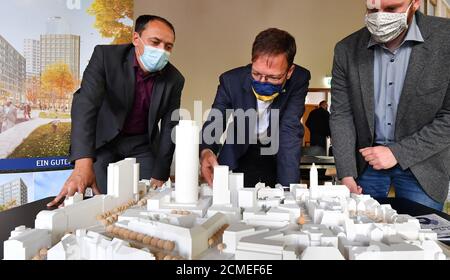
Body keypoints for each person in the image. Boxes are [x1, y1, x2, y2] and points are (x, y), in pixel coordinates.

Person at [48, 15, 185, 207]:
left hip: (142, 144)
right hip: (105, 141)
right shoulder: (106, 57)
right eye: (155, 42)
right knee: (106, 203)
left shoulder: (175, 79)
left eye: (168, 46)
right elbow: (85, 103)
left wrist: (160, 172)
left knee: (148, 200)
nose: (162, 50)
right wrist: (83, 162)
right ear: (136, 39)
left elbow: (171, 125)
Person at [330, 0, 450, 210]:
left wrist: (397, 153)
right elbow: (341, 115)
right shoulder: (346, 49)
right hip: (365, 167)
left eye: (392, 9)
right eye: (372, 10)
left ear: (416, 3)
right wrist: (346, 173)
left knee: (417, 239)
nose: (380, 17)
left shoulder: (445, 40)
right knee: (359, 237)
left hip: (422, 166)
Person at [200, 28, 310, 188]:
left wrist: (289, 190)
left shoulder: (299, 79)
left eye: (273, 77)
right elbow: (216, 119)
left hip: (276, 153)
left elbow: (290, 129)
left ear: (289, 71)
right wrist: (206, 151)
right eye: (257, 74)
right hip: (239, 152)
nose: (263, 81)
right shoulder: (231, 81)